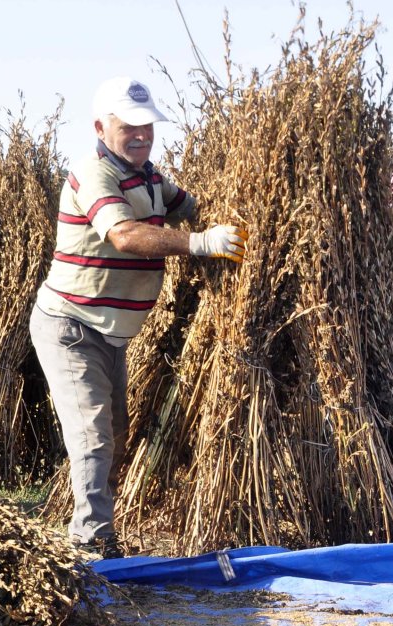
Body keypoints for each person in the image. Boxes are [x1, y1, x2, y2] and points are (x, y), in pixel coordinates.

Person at [30, 76, 246, 559]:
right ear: (100, 127)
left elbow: (190, 206)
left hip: (111, 334)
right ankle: (91, 544)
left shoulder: (149, 176)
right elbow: (124, 235)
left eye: (147, 125)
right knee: (93, 434)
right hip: (71, 324)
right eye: (129, 125)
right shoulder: (94, 174)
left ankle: (91, 520)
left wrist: (241, 210)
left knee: (116, 433)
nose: (141, 134)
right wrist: (200, 243)